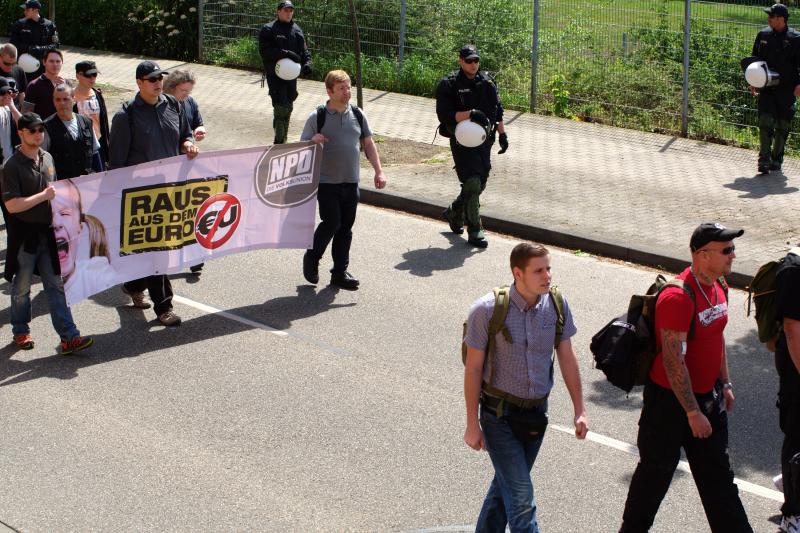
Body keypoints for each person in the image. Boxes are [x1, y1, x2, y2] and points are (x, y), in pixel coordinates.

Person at [619, 223, 752, 532]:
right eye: (727, 250)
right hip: (668, 406)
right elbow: (672, 360)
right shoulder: (677, 298)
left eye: (732, 249)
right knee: (654, 477)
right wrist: (692, 412)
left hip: (709, 398)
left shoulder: (720, 286)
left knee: (719, 482)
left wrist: (725, 383)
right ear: (702, 255)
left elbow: (716, 339)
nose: (734, 256)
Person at [463, 242, 588, 532]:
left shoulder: (557, 304)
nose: (547, 276)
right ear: (517, 273)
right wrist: (472, 423)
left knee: (504, 490)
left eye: (548, 268)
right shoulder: (487, 310)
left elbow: (567, 357)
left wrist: (579, 409)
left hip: (535, 416)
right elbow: (473, 369)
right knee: (521, 500)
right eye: (539, 271)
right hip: (499, 416)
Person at [109, 60, 198, 327]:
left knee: (157, 248)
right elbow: (117, 163)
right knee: (157, 249)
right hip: (141, 195)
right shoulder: (126, 116)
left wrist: (189, 143)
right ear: (139, 83)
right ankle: (164, 307)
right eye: (151, 79)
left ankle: (133, 284)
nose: (157, 82)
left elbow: (185, 134)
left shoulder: (174, 105)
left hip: (170, 191)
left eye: (160, 78)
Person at [1, 112, 92, 354]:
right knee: (21, 288)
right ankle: (20, 330)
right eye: (32, 130)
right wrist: (43, 196)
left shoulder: (48, 157)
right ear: (20, 133)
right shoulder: (11, 166)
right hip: (25, 237)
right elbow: (12, 206)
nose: (38, 134)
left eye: (41, 130)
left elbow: (57, 192)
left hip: (50, 233)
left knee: (56, 285)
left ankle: (69, 336)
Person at [300, 69, 386, 291]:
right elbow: (300, 148)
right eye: (342, 88)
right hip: (326, 182)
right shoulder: (317, 117)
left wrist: (379, 171)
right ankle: (312, 257)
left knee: (345, 228)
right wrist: (313, 140)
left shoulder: (358, 114)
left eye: (349, 87)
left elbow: (368, 144)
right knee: (332, 223)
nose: (347, 92)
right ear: (329, 91)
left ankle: (339, 273)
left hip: (351, 181)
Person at [437, 44, 508, 249]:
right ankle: (475, 229)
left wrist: (502, 134)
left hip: (485, 139)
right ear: (460, 61)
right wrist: (470, 114)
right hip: (462, 140)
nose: (473, 64)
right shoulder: (448, 84)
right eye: (469, 60)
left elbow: (498, 110)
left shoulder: (487, 81)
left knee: (481, 181)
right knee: (473, 181)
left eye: (476, 60)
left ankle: (455, 212)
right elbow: (445, 116)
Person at [163, 68, 207, 275]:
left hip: (187, 165)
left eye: (189, 92)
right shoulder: (162, 107)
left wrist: (199, 130)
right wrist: (185, 142)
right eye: (183, 91)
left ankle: (194, 255)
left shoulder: (189, 103)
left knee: (190, 211)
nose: (186, 96)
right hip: (167, 167)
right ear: (171, 89)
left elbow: (197, 123)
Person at [749, 4, 800, 174]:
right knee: (764, 121)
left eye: (772, 16)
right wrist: (753, 80)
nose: (768, 18)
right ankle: (763, 160)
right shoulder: (763, 35)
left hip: (787, 89)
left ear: (781, 19)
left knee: (782, 126)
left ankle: (776, 160)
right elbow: (755, 60)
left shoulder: (796, 38)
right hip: (767, 87)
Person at [52, 179, 116, 304]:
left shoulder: (98, 272)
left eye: (64, 213)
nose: (56, 223)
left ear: (80, 228)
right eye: (50, 215)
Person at [259, 0, 312, 144]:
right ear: (278, 11)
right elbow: (265, 52)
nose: (289, 13)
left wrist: (307, 63)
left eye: (291, 10)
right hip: (275, 75)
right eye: (286, 10)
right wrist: (286, 53)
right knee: (280, 107)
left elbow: (304, 50)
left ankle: (283, 139)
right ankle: (279, 142)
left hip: (291, 76)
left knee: (288, 105)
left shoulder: (297, 30)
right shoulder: (268, 29)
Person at [775, 246, 800, 533]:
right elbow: (793, 329)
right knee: (797, 434)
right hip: (796, 366)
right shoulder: (794, 269)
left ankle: (790, 481)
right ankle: (793, 514)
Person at [43, 82, 101, 180]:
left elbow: (95, 152)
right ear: (53, 101)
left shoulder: (86, 122)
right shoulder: (46, 127)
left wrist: (100, 177)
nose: (62, 103)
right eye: (58, 100)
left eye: (65, 99)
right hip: (62, 186)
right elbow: (43, 161)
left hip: (86, 183)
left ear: (73, 99)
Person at [9, 0, 58, 80]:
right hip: (23, 66)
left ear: (36, 10)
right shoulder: (20, 24)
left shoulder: (49, 25)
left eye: (27, 10)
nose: (25, 12)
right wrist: (29, 48)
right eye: (24, 9)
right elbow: (13, 44)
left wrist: (41, 49)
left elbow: (55, 44)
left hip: (42, 67)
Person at [73, 60, 110, 168]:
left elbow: (104, 123)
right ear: (78, 75)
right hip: (81, 146)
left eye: (95, 74)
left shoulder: (97, 94)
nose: (92, 78)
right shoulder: (71, 97)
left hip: (99, 144)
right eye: (89, 75)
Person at [24, 48, 64, 119]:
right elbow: (27, 114)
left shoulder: (66, 84)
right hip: (42, 128)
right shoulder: (34, 85)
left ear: (62, 63)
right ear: (44, 62)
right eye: (51, 61)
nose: (55, 64)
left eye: (58, 61)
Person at [0, 77, 21, 163]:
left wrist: (12, 108)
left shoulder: (7, 107)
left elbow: (24, 124)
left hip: (10, 160)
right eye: (3, 94)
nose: (7, 96)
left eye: (8, 93)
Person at [0, 43, 28, 108]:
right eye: (6, 64)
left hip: (14, 113)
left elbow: (22, 94)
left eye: (13, 63)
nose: (10, 67)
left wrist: (23, 114)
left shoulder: (19, 70)